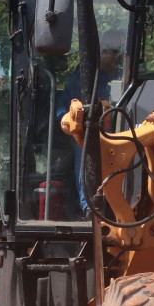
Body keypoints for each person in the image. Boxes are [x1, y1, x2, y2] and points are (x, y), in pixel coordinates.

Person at [52, 29, 126, 216]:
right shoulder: (85, 80)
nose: (115, 59)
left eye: (119, 53)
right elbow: (74, 118)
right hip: (88, 134)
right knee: (86, 142)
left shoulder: (116, 80)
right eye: (111, 52)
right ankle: (90, 206)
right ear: (99, 54)